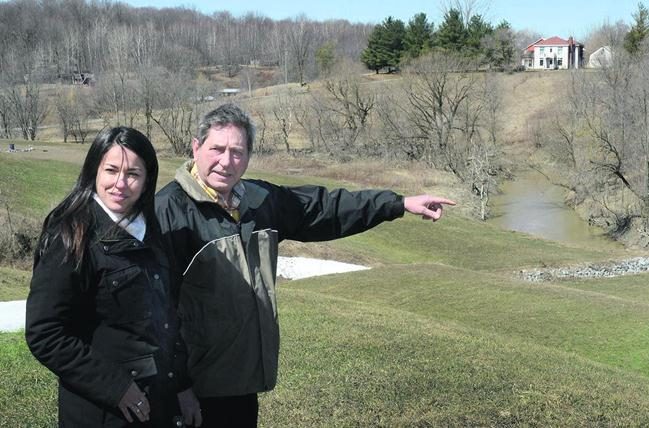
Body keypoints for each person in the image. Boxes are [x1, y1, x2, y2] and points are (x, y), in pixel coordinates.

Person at [155, 103, 455, 427]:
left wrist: (398, 204)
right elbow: (155, 311)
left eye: (237, 152)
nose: (227, 162)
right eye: (217, 149)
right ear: (196, 147)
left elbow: (325, 208)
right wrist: (179, 386)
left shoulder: (259, 200)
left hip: (240, 381)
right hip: (193, 389)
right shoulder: (168, 213)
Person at [25, 127, 200, 427]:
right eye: (111, 170)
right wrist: (115, 387)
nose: (121, 183)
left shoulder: (151, 230)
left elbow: (166, 318)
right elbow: (45, 331)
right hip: (102, 410)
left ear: (147, 182)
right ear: (94, 170)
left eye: (133, 173)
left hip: (158, 401)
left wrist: (181, 384)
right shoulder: (71, 234)